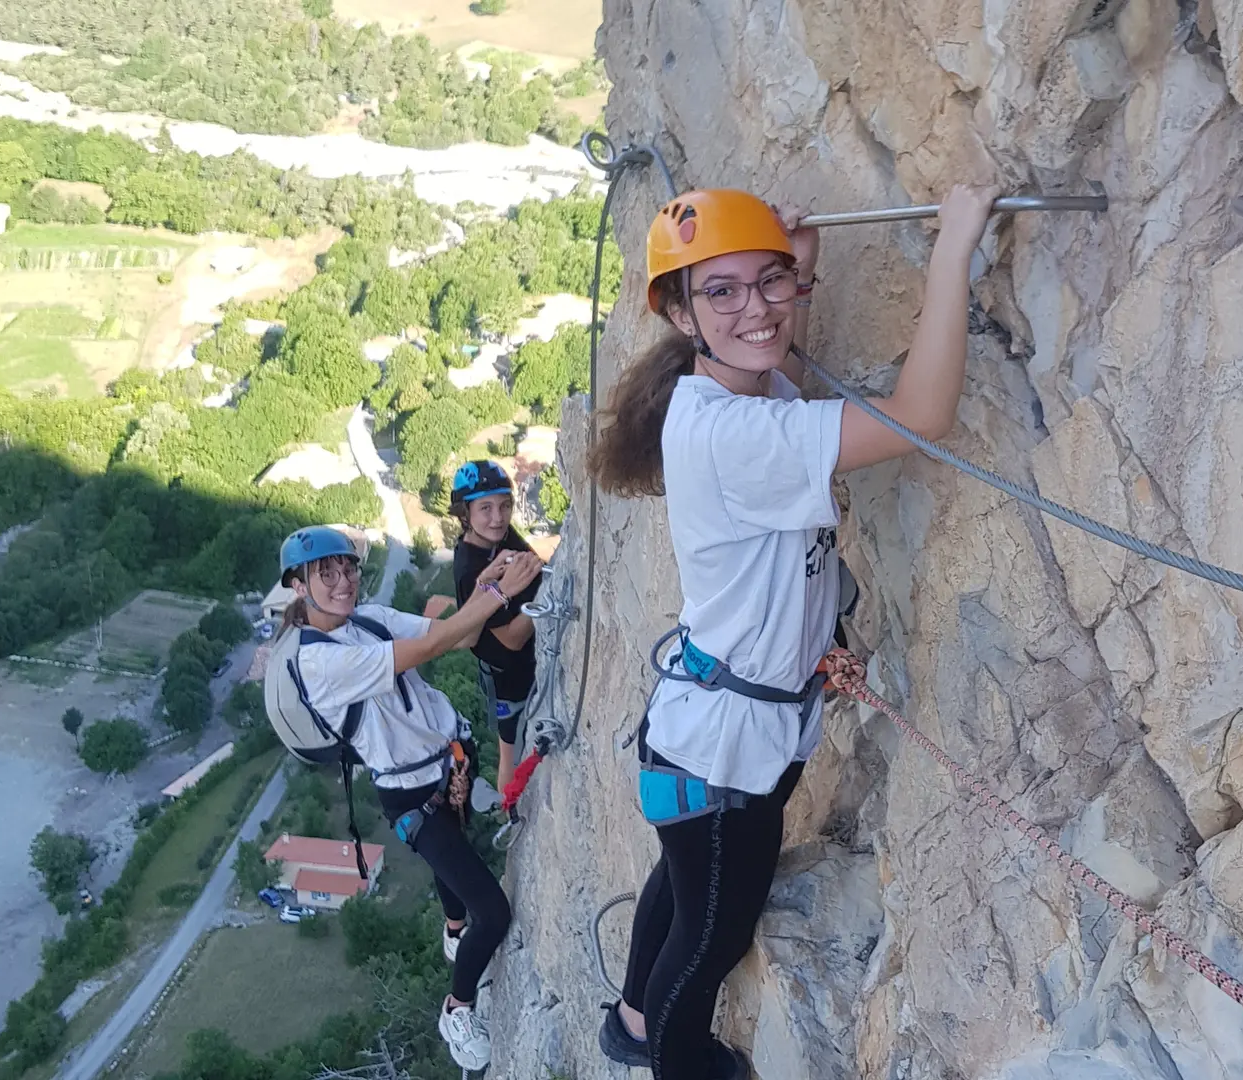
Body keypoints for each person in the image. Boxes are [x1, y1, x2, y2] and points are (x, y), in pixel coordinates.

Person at [585, 181, 1001, 1079]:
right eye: (723, 292)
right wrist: (953, 248)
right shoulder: (735, 434)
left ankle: (627, 1019)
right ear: (681, 313)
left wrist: (795, 273)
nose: (756, 307)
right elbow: (921, 418)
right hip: (727, 753)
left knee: (683, 883)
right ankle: (678, 1059)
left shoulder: (724, 396)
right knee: (710, 939)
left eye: (768, 282)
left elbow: (783, 376)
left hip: (701, 730)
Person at [275, 524, 541, 1071]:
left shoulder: (367, 619)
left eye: (346, 568)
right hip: (409, 793)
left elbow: (459, 635)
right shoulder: (318, 661)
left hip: (447, 764)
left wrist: (483, 588)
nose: (342, 581)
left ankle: (452, 931)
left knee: (456, 861)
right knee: (492, 912)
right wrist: (496, 594)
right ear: (299, 587)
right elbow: (433, 645)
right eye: (324, 574)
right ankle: (457, 1007)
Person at [448, 459, 549, 797]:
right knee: (510, 747)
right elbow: (512, 638)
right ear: (466, 513)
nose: (498, 516)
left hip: (527, 663)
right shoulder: (470, 567)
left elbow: (531, 562)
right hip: (508, 677)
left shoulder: (500, 538)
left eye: (505, 506)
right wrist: (547, 601)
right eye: (486, 508)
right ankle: (509, 810)